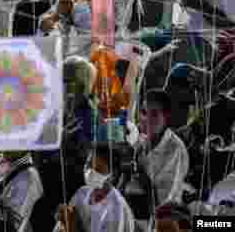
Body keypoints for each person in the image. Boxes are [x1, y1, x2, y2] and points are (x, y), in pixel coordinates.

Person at [124, 89, 189, 222]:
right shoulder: (141, 141)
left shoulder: (175, 150)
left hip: (161, 222)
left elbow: (162, 205)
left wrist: (138, 169)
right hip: (133, 214)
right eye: (143, 112)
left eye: (154, 114)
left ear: (166, 117)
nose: (146, 119)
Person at [54, 143, 136, 232]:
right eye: (88, 165)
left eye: (98, 168)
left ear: (112, 175)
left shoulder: (116, 209)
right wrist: (62, 220)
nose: (90, 172)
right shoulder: (82, 193)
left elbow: (71, 225)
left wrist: (72, 226)